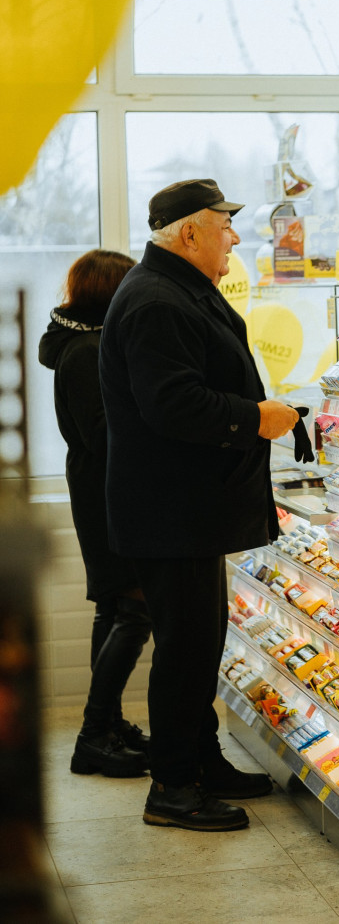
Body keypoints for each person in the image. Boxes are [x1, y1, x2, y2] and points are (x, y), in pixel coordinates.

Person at [99, 178, 300, 833]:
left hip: (189, 511)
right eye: (225, 226)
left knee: (200, 642)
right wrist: (256, 417)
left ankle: (200, 757)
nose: (235, 238)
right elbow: (173, 403)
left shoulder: (173, 287)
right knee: (184, 649)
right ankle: (174, 786)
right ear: (189, 233)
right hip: (171, 513)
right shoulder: (156, 299)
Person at [39, 250, 152, 778]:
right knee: (135, 611)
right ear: (109, 293)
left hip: (105, 488)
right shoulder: (85, 350)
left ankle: (107, 724)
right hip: (108, 492)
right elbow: (102, 434)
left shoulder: (87, 341)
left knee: (114, 610)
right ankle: (93, 734)